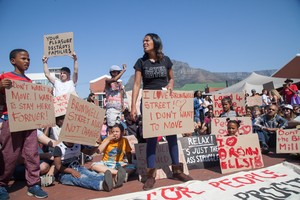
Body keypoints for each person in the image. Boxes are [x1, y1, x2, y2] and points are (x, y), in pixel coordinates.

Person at [130, 33, 192, 191]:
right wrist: (133, 106)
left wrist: (171, 84)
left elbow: (171, 78)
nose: (144, 42)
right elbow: (137, 85)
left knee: (172, 136)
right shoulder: (141, 62)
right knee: (151, 138)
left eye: (147, 40)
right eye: (143, 40)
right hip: (150, 102)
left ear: (155, 42)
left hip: (166, 101)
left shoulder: (166, 60)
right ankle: (150, 176)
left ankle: (177, 171)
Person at [0, 49, 48, 199]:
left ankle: (34, 184)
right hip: (11, 120)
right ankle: (2, 184)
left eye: (28, 59)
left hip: (29, 121)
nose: (27, 61)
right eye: (23, 58)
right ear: (13, 61)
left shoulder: (29, 82)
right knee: (9, 154)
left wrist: (46, 96)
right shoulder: (5, 77)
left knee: (32, 153)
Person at [91, 123, 135, 188]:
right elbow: (99, 151)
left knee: (133, 167)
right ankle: (119, 174)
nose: (115, 133)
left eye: (117, 132)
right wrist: (108, 140)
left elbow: (128, 153)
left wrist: (130, 163)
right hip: (106, 163)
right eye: (113, 132)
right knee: (93, 166)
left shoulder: (124, 140)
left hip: (118, 164)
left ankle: (112, 177)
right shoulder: (107, 139)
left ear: (122, 133)